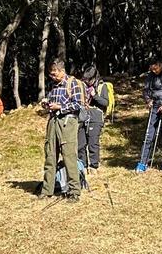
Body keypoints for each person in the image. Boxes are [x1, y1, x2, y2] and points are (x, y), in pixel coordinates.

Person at [39, 60, 84, 200]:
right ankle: (47, 191)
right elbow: (53, 102)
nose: (52, 77)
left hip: (68, 123)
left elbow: (78, 104)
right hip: (53, 121)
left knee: (69, 157)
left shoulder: (73, 83)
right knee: (50, 156)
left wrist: (61, 108)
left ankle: (74, 191)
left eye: (54, 74)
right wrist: (47, 104)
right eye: (51, 75)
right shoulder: (53, 85)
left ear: (61, 71)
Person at [135, 57, 162, 173]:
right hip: (155, 108)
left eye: (156, 69)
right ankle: (143, 162)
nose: (154, 71)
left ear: (160, 65)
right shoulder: (150, 76)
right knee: (149, 135)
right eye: (152, 69)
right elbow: (146, 90)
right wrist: (148, 100)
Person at [76, 64, 110, 172]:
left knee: (93, 143)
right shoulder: (83, 86)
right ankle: (82, 166)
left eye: (89, 80)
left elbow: (105, 102)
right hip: (83, 116)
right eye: (86, 80)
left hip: (96, 118)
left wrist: (94, 95)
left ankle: (93, 166)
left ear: (94, 77)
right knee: (81, 144)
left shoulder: (102, 86)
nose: (87, 82)